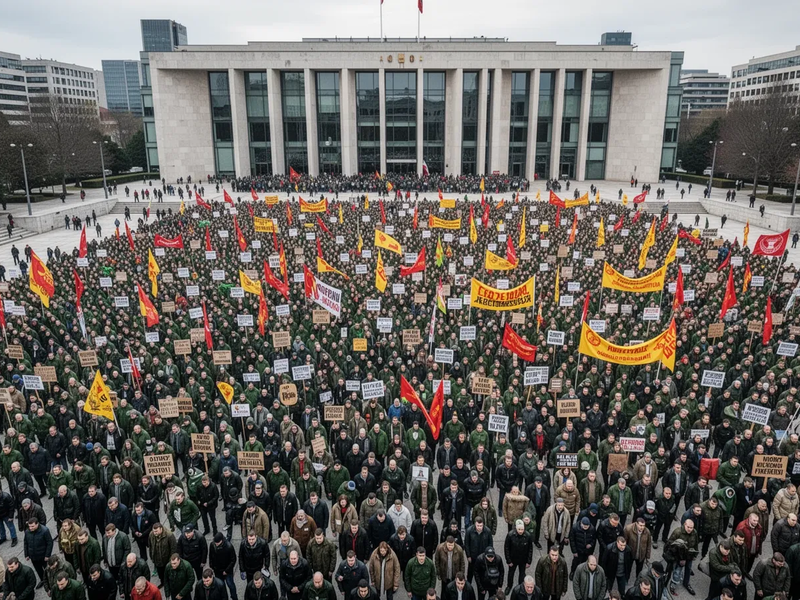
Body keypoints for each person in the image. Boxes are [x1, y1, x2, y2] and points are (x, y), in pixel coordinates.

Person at [24, 517, 53, 588]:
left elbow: (50, 543)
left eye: (32, 526)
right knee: (39, 570)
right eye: (29, 526)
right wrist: (26, 554)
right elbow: (26, 543)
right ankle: (43, 581)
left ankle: (51, 582)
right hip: (33, 556)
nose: (30, 528)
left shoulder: (45, 531)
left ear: (37, 524)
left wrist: (47, 555)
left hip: (43, 555)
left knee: (48, 570)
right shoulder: (27, 532)